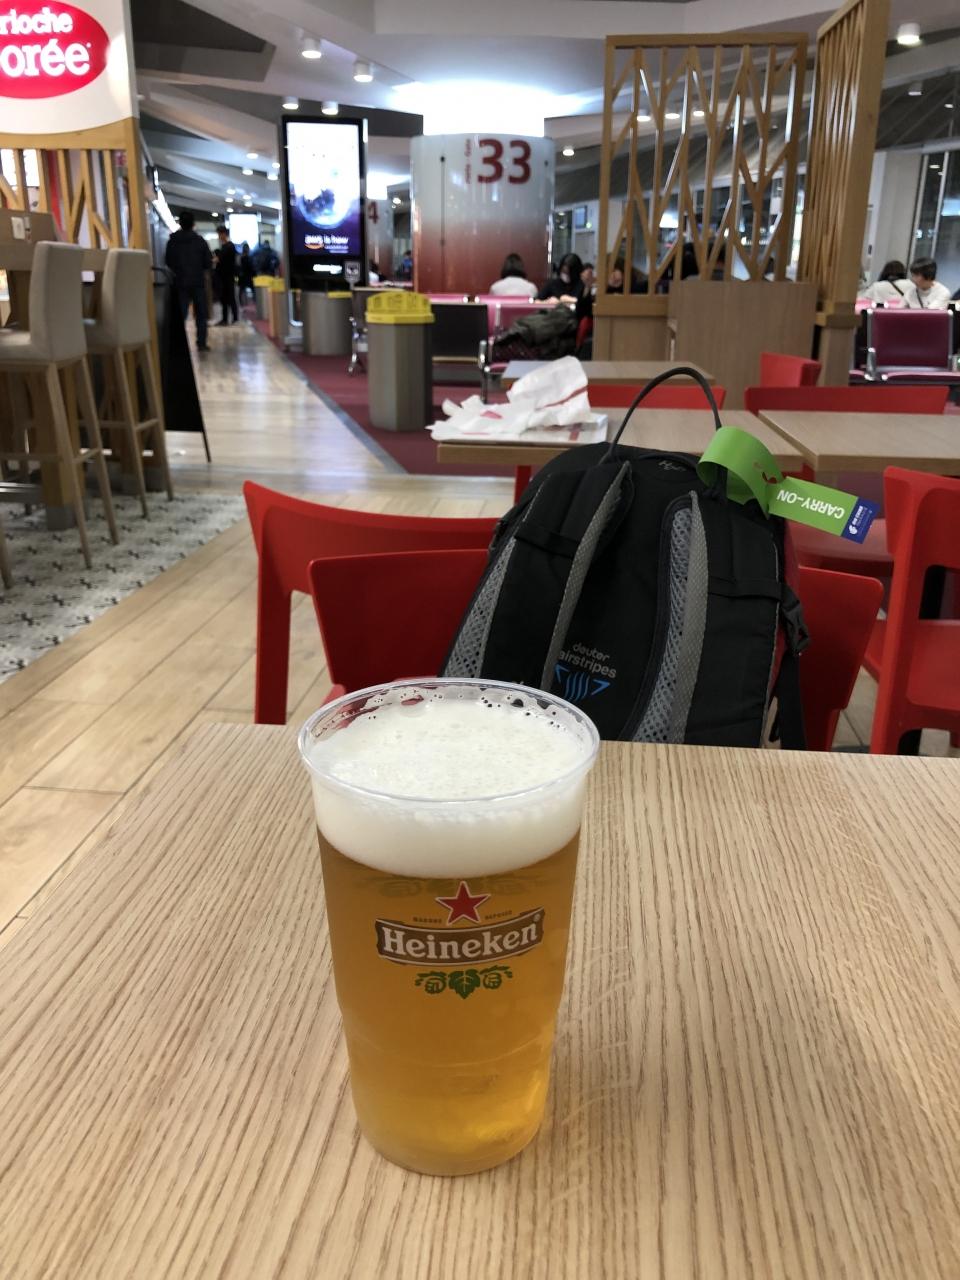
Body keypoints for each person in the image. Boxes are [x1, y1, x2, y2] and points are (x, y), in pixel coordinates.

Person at [164, 210, 212, 352]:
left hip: (180, 283)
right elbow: (207, 263)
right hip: (198, 282)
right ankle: (201, 343)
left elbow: (168, 261)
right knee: (201, 315)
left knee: (180, 315)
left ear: (180, 223)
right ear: (193, 224)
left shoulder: (172, 241)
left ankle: (178, 346)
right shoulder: (200, 241)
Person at [215, 225, 238, 325]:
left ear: (224, 234)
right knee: (225, 298)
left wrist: (216, 259)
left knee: (230, 297)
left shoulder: (229, 246)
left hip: (228, 276)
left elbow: (219, 259)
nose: (219, 236)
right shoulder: (225, 246)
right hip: (224, 276)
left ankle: (233, 318)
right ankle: (226, 319)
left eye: (220, 234)